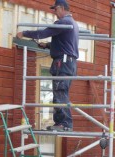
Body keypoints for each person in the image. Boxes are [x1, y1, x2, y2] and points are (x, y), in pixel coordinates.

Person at [16, 0, 79, 131]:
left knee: (60, 92)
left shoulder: (63, 23)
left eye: (55, 10)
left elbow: (43, 33)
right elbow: (66, 44)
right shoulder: (72, 24)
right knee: (62, 92)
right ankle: (64, 123)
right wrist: (48, 45)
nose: (55, 13)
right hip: (69, 62)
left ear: (61, 8)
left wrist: (24, 33)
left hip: (63, 62)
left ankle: (64, 124)